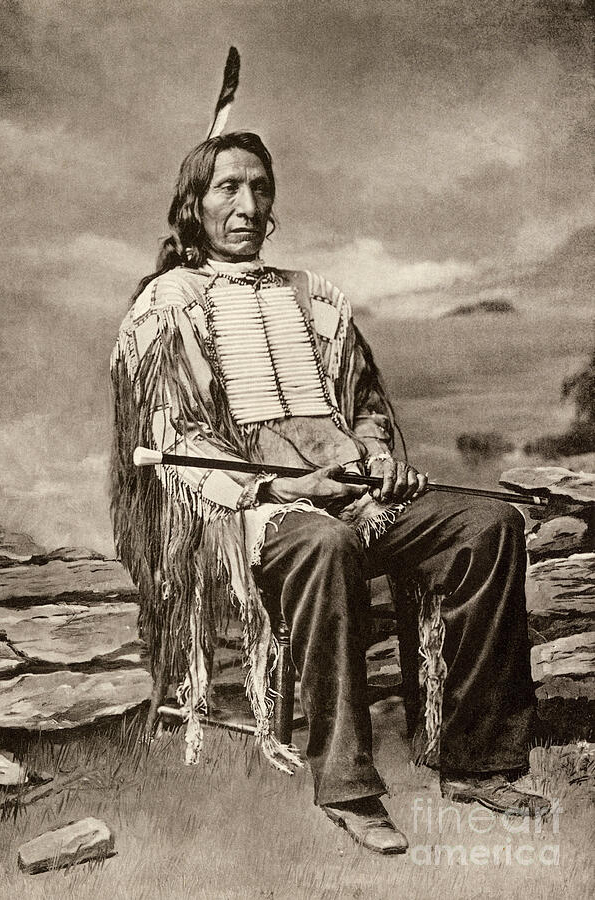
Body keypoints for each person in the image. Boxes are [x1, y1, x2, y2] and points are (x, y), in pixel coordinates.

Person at [110, 131, 550, 855]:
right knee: (324, 539)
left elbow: (366, 405)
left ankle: (478, 761)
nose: (248, 205)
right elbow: (173, 449)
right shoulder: (167, 307)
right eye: (228, 188)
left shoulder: (313, 297)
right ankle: (347, 783)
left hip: (352, 497)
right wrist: (285, 486)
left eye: (259, 188)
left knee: (490, 523)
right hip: (247, 517)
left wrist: (380, 461)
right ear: (193, 204)